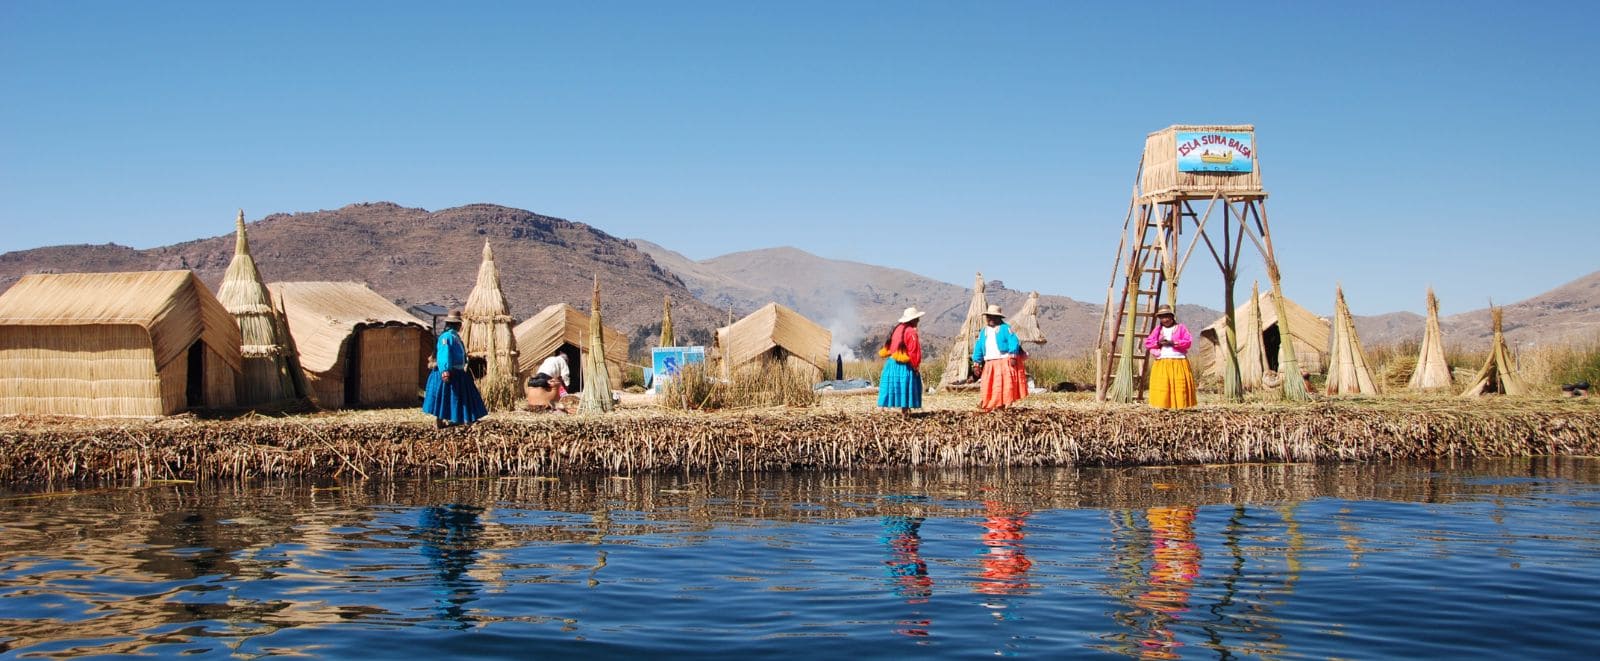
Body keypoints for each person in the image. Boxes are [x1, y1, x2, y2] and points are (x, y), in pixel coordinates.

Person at [423, 311, 488, 428]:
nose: (460, 326)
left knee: (460, 396)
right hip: (448, 372)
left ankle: (463, 418)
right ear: (455, 325)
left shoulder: (455, 337)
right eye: (458, 324)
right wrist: (445, 370)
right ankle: (441, 420)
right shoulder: (446, 337)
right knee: (445, 397)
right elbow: (444, 354)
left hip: (458, 372)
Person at [971, 304, 1028, 412]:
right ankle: (989, 403)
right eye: (989, 317)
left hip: (1004, 360)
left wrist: (1013, 356)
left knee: (1005, 383)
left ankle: (1005, 403)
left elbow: (1013, 341)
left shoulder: (1005, 328)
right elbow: (978, 347)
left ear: (999, 318)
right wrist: (977, 363)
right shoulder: (984, 331)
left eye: (994, 317)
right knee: (989, 384)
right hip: (989, 362)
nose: (991, 319)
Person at [1143, 305, 1197, 409]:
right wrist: (1158, 342)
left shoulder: (1181, 328)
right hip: (1162, 361)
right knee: (1163, 384)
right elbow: (1148, 342)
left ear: (1172, 317)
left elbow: (1188, 341)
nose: (1165, 319)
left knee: (1178, 384)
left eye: (1167, 316)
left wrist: (1174, 343)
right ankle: (1163, 405)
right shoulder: (1158, 330)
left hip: (1178, 360)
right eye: (1162, 317)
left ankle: (1180, 406)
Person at [877, 306, 925, 415]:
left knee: (889, 387)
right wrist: (915, 367)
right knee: (905, 387)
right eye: (917, 318)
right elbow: (914, 351)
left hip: (891, 364)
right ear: (912, 320)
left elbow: (890, 346)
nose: (918, 320)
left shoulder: (897, 328)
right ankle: (905, 411)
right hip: (904, 366)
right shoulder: (911, 332)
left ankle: (881, 410)